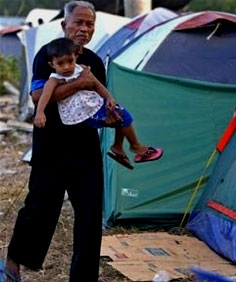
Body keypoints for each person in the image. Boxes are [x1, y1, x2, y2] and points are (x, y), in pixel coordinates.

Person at [3, 2, 143, 282]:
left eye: (89, 24)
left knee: (91, 215)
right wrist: (79, 83)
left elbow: (95, 105)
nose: (84, 28)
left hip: (84, 147)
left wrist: (112, 118)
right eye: (78, 22)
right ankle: (11, 265)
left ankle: (83, 278)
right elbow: (37, 97)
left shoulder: (93, 61)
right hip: (51, 145)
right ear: (64, 25)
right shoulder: (48, 54)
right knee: (39, 207)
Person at [33, 37, 163, 169]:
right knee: (122, 118)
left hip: (95, 104)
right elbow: (45, 96)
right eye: (60, 63)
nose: (66, 67)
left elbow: (97, 84)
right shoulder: (55, 79)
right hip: (82, 113)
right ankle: (135, 146)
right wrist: (40, 112)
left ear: (75, 58)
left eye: (70, 61)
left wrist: (109, 98)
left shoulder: (82, 69)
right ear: (52, 65)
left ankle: (119, 146)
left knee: (123, 115)